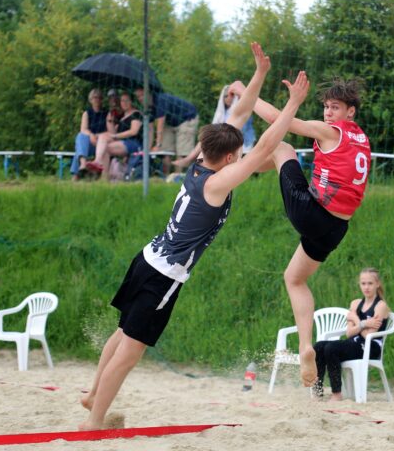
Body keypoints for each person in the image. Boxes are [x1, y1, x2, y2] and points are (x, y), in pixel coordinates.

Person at [78, 42, 310, 430]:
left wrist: (259, 75)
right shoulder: (217, 184)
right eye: (240, 153)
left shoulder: (205, 158)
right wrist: (293, 105)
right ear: (231, 157)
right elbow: (264, 148)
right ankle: (94, 421)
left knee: (120, 333)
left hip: (146, 258)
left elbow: (237, 113)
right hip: (163, 276)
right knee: (130, 351)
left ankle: (91, 393)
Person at [250, 78, 372, 387]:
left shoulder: (330, 131)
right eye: (326, 107)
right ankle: (306, 346)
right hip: (336, 228)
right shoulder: (362, 139)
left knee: (282, 145)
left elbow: (284, 120)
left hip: (312, 213)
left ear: (350, 112)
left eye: (335, 108)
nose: (329, 113)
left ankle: (239, 168)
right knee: (294, 278)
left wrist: (247, 94)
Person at [313, 267, 389, 401]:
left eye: (370, 283)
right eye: (363, 283)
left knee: (331, 349)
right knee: (318, 347)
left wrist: (357, 320)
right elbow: (349, 333)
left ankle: (337, 394)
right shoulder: (355, 304)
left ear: (377, 284)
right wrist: (364, 323)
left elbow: (367, 336)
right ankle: (317, 392)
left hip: (370, 347)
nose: (366, 287)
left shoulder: (380, 306)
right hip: (354, 343)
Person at [172, 83, 256, 170]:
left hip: (240, 141)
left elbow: (239, 131)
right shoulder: (222, 113)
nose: (228, 98)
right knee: (207, 138)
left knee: (209, 140)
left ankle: (189, 160)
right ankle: (194, 164)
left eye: (231, 95)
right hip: (225, 139)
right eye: (225, 96)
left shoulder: (242, 112)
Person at [85, 91, 143, 180]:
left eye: (126, 101)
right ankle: (99, 167)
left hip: (133, 143)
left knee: (105, 148)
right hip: (122, 142)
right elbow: (113, 133)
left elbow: (133, 131)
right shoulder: (123, 117)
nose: (124, 103)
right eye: (122, 101)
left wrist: (116, 137)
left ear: (131, 102)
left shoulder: (136, 114)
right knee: (103, 137)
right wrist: (110, 122)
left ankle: (100, 168)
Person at [150, 92, 199, 175]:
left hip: (187, 118)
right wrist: (149, 148)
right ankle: (165, 178)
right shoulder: (147, 107)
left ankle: (178, 178)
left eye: (141, 95)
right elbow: (150, 129)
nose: (140, 98)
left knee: (182, 152)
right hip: (171, 122)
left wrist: (158, 144)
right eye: (138, 96)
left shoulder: (160, 99)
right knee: (164, 150)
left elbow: (160, 123)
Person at [71, 88, 110, 181]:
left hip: (101, 143)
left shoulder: (106, 113)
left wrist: (96, 136)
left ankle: (76, 175)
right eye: (94, 97)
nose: (97, 100)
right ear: (90, 99)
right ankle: (83, 164)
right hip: (89, 143)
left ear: (101, 100)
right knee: (81, 136)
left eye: (99, 98)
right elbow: (83, 129)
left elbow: (110, 131)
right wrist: (91, 135)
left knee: (79, 148)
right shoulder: (87, 113)